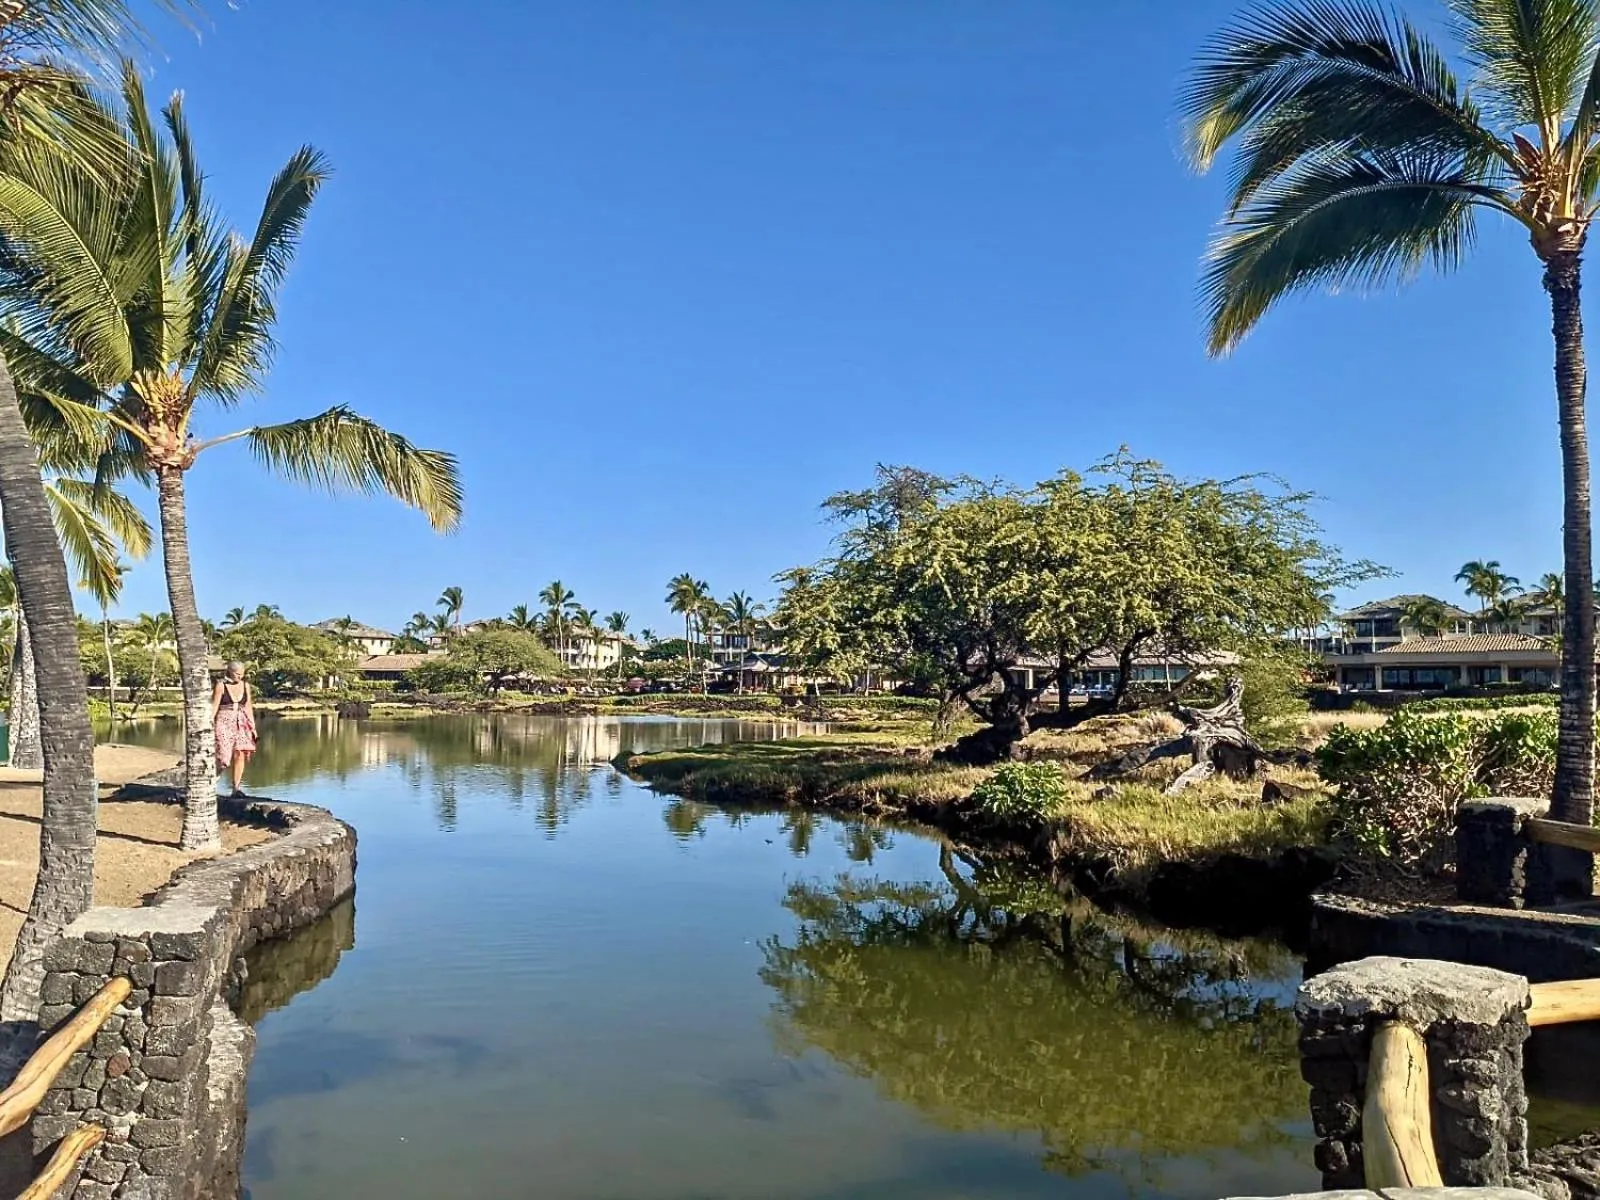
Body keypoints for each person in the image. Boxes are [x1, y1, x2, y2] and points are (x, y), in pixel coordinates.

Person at [212, 661, 257, 798]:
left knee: (240, 752)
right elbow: (214, 706)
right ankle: (211, 781)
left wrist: (253, 726)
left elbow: (248, 706)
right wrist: (209, 724)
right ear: (230, 672)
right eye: (238, 674)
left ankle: (236, 787)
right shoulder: (221, 686)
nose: (240, 676)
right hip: (224, 721)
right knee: (223, 756)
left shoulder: (245, 686)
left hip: (241, 721)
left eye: (242, 674)